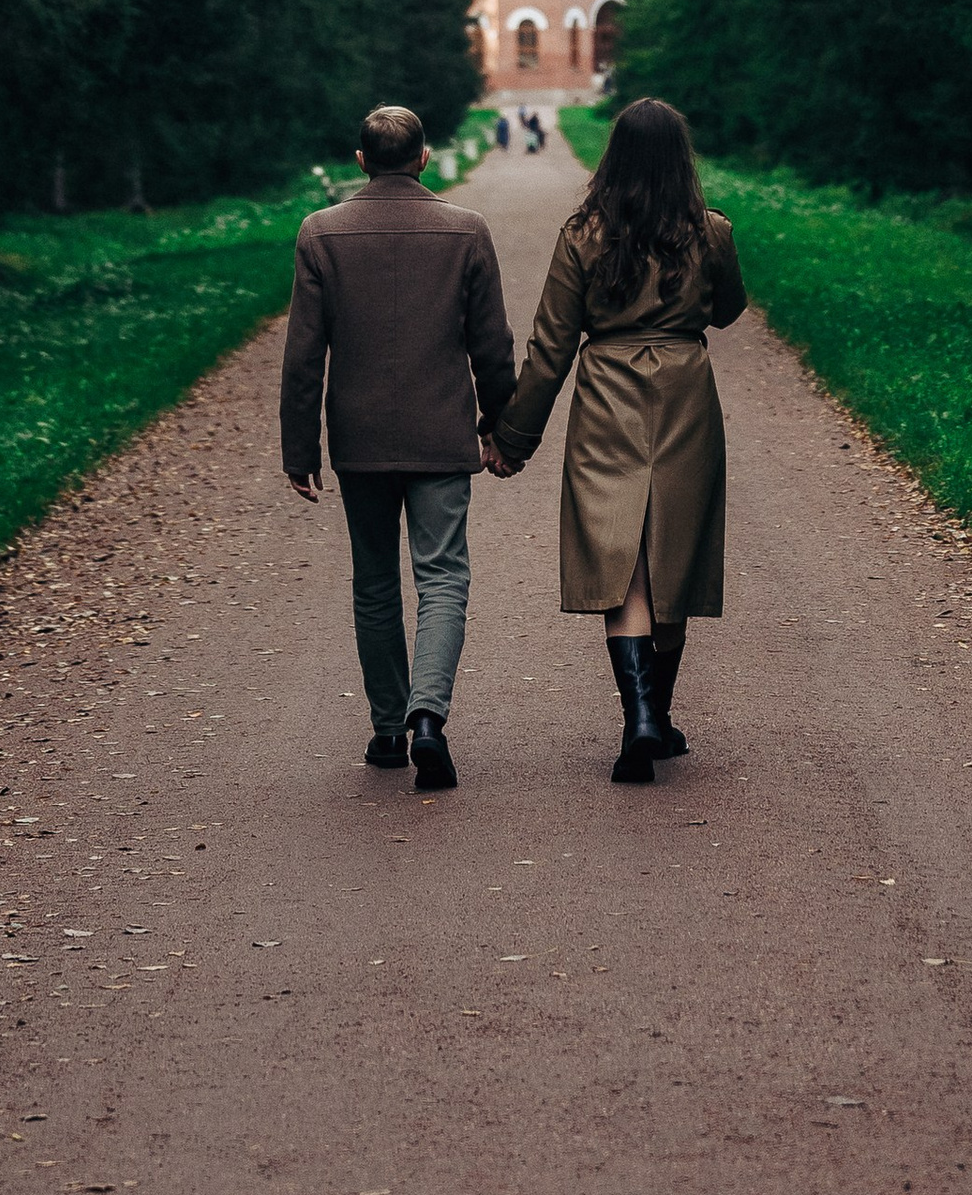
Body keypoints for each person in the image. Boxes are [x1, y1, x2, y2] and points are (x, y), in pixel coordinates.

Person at [483, 94, 745, 783]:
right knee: (674, 552)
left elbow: (550, 346)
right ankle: (657, 712)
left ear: (614, 156)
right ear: (680, 159)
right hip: (686, 392)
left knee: (620, 553)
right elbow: (730, 310)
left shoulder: (583, 235)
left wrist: (513, 437)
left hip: (607, 393)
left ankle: (640, 718)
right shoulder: (710, 231)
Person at [281, 104, 515, 791]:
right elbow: (492, 345)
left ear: (360, 161)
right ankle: (428, 720)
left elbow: (303, 356)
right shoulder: (465, 231)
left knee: (376, 579)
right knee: (442, 574)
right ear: (423, 157)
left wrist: (300, 449)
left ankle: (387, 727)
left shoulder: (321, 233)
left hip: (360, 440)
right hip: (442, 434)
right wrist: (500, 425)